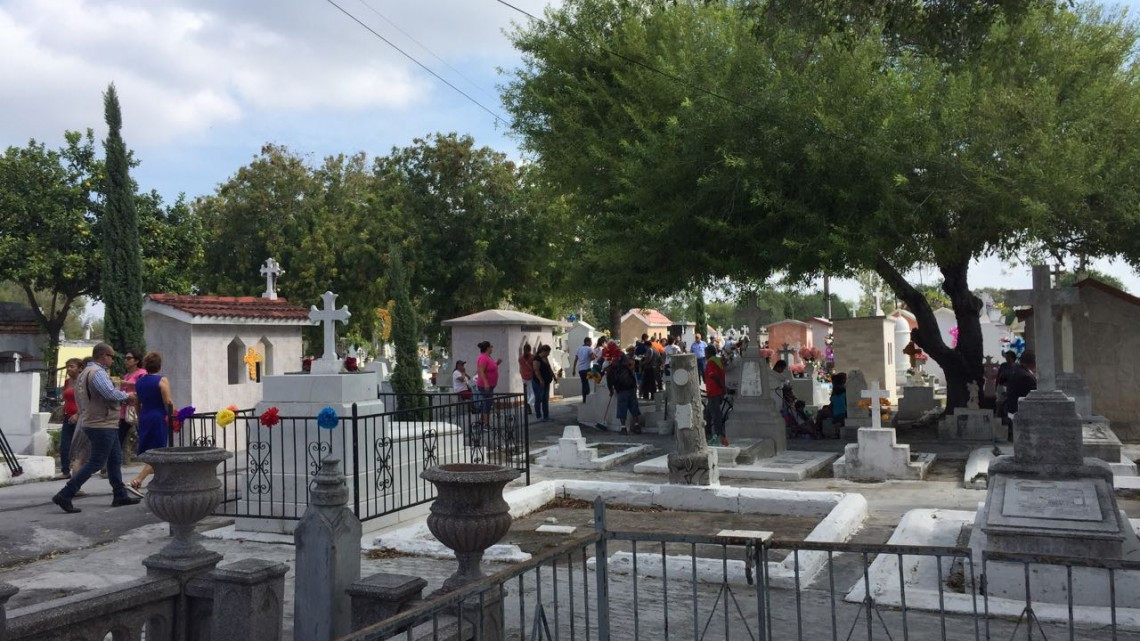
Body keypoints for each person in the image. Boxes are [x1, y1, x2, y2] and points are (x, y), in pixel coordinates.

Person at [52, 343, 140, 513]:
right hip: (101, 423)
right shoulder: (97, 372)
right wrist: (127, 396)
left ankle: (120, 494)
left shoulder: (85, 372)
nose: (114, 360)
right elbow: (109, 394)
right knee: (97, 461)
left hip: (101, 422)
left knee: (114, 459)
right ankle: (65, 494)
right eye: (112, 357)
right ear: (103, 356)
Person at [127, 352, 174, 492]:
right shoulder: (162, 380)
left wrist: (140, 416)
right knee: (159, 451)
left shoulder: (140, 381)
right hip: (158, 416)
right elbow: (168, 401)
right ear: (159, 366)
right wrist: (174, 414)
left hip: (145, 416)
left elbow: (137, 402)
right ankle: (137, 481)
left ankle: (160, 482)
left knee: (150, 451)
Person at [56, 358, 83, 479]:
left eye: (72, 366)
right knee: (65, 444)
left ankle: (78, 471)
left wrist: (78, 414)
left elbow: (84, 400)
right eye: (67, 367)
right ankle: (65, 470)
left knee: (79, 445)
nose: (68, 369)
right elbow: (66, 399)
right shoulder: (67, 382)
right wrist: (63, 410)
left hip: (80, 417)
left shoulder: (82, 382)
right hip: (68, 416)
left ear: (79, 368)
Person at [605, 354, 641, 434]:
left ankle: (623, 429)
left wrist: (611, 391)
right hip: (631, 389)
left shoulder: (611, 369)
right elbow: (632, 377)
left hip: (622, 391)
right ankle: (637, 426)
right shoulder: (625, 366)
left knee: (622, 410)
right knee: (634, 408)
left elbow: (609, 382)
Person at [1003, 351, 1037, 426]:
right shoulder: (1026, 377)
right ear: (1034, 362)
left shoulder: (1017, 371)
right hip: (1020, 413)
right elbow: (1031, 396)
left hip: (1012, 410)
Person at [704, 344, 728, 446]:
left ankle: (720, 436)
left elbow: (714, 376)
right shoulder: (717, 360)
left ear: (708, 353)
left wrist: (723, 388)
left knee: (715, 415)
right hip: (715, 392)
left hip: (714, 391)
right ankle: (708, 434)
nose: (705, 355)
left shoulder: (711, 362)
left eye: (705, 353)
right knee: (707, 413)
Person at [475, 341, 501, 425]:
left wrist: (497, 363)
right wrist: (486, 383)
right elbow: (481, 371)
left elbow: (490, 368)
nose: (492, 348)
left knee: (486, 402)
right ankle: (486, 423)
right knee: (487, 403)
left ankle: (482, 420)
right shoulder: (483, 358)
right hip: (485, 386)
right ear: (487, 348)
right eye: (491, 347)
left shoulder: (488, 357)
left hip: (490, 386)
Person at [814, 372, 847, 438]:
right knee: (823, 410)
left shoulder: (839, 391)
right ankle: (818, 430)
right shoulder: (840, 390)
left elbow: (836, 403)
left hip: (839, 412)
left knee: (820, 413)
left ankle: (818, 431)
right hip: (836, 410)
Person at [531, 345, 554, 421]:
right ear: (544, 351)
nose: (549, 354)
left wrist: (553, 375)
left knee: (545, 398)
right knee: (539, 398)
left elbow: (549, 367)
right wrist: (541, 380)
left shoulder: (545, 358)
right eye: (548, 352)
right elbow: (536, 371)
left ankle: (546, 415)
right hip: (538, 382)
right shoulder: (537, 359)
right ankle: (538, 415)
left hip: (547, 381)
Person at [572, 337, 594, 403]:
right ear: (587, 342)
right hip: (587, 369)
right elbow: (592, 357)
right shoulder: (589, 349)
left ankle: (584, 398)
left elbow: (576, 360)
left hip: (581, 370)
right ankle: (588, 395)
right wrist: (593, 357)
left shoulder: (579, 349)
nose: (591, 343)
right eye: (590, 342)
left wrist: (573, 370)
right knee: (593, 380)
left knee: (584, 383)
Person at [518, 343, 535, 416]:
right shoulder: (532, 357)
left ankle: (528, 408)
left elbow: (521, 367)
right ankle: (528, 403)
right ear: (530, 349)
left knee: (527, 393)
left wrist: (522, 373)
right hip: (531, 376)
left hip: (523, 376)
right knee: (533, 393)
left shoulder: (520, 358)